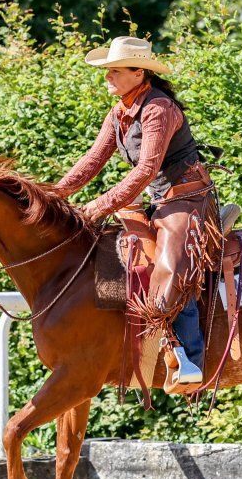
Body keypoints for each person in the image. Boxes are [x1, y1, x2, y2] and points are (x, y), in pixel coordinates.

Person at [52, 36, 222, 385]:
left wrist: (97, 206)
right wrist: (53, 195)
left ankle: (190, 361)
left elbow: (145, 170)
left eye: (115, 70)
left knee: (172, 266)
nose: (107, 77)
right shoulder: (119, 112)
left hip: (187, 199)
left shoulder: (159, 108)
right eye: (107, 71)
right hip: (159, 200)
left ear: (139, 72)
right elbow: (92, 161)